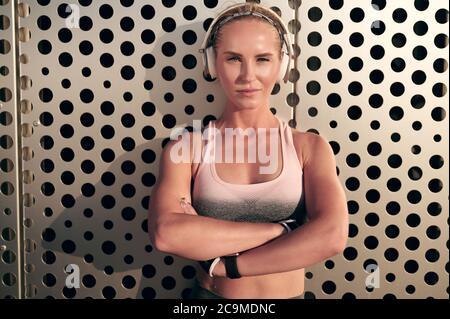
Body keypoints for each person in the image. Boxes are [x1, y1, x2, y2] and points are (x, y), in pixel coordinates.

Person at [148, 3, 348, 299]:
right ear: (212, 64)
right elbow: (167, 234)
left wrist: (230, 265)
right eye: (233, 59)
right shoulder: (187, 148)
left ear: (281, 66)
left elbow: (331, 236)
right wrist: (279, 231)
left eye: (263, 59)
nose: (247, 75)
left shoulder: (309, 147)